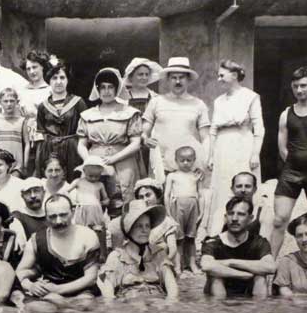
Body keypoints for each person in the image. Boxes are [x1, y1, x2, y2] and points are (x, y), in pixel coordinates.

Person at [207, 59, 264, 237]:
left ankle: (248, 236)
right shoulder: (218, 101)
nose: (219, 79)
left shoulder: (251, 97)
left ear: (234, 75)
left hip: (243, 146)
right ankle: (218, 235)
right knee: (223, 189)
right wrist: (210, 155)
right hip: (223, 148)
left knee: (244, 188)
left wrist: (255, 153)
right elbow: (213, 129)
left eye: (222, 75)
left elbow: (259, 127)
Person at [77, 67, 143, 214]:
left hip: (122, 163)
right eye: (103, 87)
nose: (106, 91)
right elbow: (81, 143)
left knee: (122, 201)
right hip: (94, 164)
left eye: (110, 87)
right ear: (98, 89)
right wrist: (89, 161)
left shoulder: (129, 112)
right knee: (92, 201)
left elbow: (136, 143)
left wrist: (113, 159)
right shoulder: (88, 115)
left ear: (117, 89)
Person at [16, 194, 100, 300]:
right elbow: (19, 274)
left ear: (73, 212)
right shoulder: (36, 240)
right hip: (50, 294)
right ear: (46, 217)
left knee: (84, 303)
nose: (58, 221)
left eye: (63, 215)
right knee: (40, 306)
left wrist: (58, 289)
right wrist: (31, 286)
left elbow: (91, 278)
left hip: (83, 293)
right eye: (52, 217)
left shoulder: (88, 236)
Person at [272, 66, 307, 258]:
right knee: (279, 220)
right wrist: (295, 163)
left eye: (304, 85)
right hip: (291, 173)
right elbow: (282, 147)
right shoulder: (286, 113)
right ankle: (268, 267)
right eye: (296, 86)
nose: (299, 90)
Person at [142, 57, 210, 177]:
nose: (177, 81)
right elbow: (144, 131)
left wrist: (203, 162)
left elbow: (206, 138)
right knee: (161, 194)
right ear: (168, 79)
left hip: (188, 164)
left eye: (181, 77)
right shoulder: (156, 102)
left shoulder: (198, 104)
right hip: (161, 162)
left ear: (188, 79)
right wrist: (146, 139)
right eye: (174, 77)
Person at [100, 199, 178, 300]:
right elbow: (108, 296)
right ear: (129, 230)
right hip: (128, 308)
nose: (144, 230)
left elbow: (173, 291)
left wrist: (168, 306)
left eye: (147, 226)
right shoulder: (117, 257)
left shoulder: (159, 254)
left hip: (158, 307)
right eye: (139, 226)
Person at [201, 197, 276, 298]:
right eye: (231, 213)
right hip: (219, 293)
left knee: (260, 277)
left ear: (250, 219)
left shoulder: (259, 242)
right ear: (225, 217)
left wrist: (231, 262)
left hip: (250, 293)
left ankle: (260, 311)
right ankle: (218, 311)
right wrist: (242, 275)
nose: (234, 218)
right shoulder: (213, 242)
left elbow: (271, 267)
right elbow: (207, 266)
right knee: (216, 276)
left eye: (241, 214)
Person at [107, 178, 179, 270]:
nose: (145, 199)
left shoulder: (167, 221)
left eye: (148, 195)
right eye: (141, 197)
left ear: (157, 196)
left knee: (162, 246)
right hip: (132, 262)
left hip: (158, 263)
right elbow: (118, 246)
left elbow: (173, 249)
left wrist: (161, 265)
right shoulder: (131, 220)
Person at [36, 59, 87, 181]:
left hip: (73, 150)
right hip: (49, 150)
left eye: (62, 77)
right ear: (49, 80)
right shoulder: (43, 106)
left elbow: (86, 132)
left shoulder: (78, 103)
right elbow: (40, 136)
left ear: (68, 80)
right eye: (54, 78)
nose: (58, 82)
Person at [164, 146, 202, 274]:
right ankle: (177, 266)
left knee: (191, 238)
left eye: (189, 160)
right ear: (176, 160)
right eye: (182, 160)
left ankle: (192, 265)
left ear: (194, 160)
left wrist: (201, 211)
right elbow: (167, 194)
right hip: (178, 206)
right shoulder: (172, 176)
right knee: (179, 238)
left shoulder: (195, 176)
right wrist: (168, 212)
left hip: (193, 205)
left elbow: (200, 194)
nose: (186, 163)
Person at [66, 156, 110, 260]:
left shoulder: (100, 184)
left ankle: (102, 253)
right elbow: (66, 191)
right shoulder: (78, 181)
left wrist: (102, 203)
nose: (94, 179)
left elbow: (107, 199)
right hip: (82, 209)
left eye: (97, 176)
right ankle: (81, 253)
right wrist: (72, 201)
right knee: (80, 230)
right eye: (91, 176)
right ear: (84, 171)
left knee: (99, 231)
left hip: (95, 211)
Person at [19, 50, 52, 177]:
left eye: (35, 67)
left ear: (42, 67)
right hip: (25, 135)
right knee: (26, 168)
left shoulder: (50, 90)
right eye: (28, 69)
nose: (32, 71)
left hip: (44, 134)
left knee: (42, 166)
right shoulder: (22, 90)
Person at [0, 87, 30, 175]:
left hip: (16, 165)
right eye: (5, 101)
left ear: (17, 102)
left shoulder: (22, 121)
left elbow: (27, 143)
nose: (9, 104)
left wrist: (24, 164)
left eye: (12, 101)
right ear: (0, 102)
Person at [274, 213, 307, 297]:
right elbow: (284, 291)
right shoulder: (287, 262)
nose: (304, 239)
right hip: (297, 308)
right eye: (299, 236)